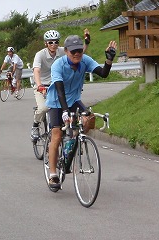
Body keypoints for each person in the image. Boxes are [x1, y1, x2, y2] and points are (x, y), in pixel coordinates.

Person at [45, 35, 117, 188]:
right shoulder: (58, 65)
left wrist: (109, 60)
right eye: (73, 51)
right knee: (57, 134)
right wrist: (64, 111)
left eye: (79, 50)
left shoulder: (85, 60)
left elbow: (103, 73)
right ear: (65, 51)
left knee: (88, 120)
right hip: (57, 101)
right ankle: (53, 175)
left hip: (74, 99)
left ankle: (75, 140)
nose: (77, 54)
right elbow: (59, 90)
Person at [30, 29, 90, 140]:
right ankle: (35, 125)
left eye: (56, 42)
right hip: (43, 84)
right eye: (50, 42)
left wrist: (86, 42)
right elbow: (36, 71)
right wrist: (39, 86)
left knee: (67, 107)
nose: (54, 45)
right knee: (43, 108)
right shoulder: (40, 55)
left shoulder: (63, 51)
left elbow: (79, 54)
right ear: (46, 43)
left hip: (59, 84)